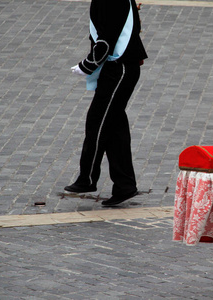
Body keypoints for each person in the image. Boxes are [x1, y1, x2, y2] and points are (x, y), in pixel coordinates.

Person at [66, 0, 147, 206]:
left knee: (98, 122)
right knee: (114, 126)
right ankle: (125, 185)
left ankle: (87, 178)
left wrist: (87, 65)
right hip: (119, 67)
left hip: (119, 69)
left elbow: (106, 40)